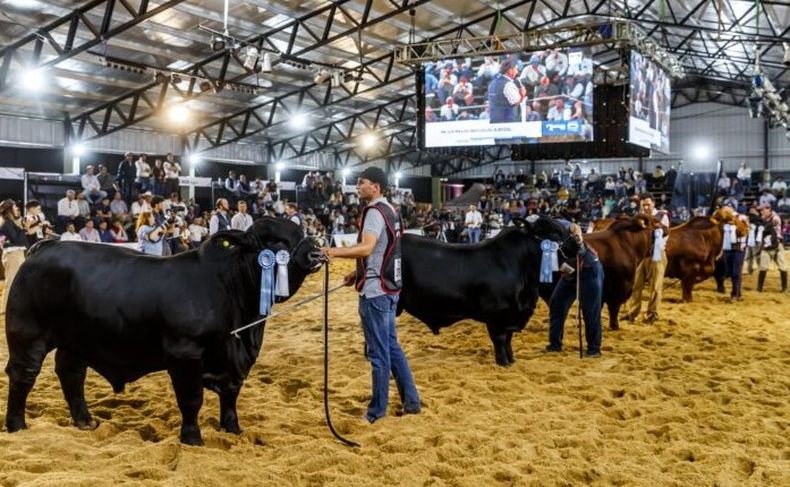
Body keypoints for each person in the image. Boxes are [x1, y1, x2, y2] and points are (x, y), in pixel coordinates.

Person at [321, 166, 420, 424]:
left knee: (378, 354)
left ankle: (376, 413)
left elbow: (367, 248)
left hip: (376, 292)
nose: (358, 186)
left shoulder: (374, 212)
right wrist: (358, 273)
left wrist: (333, 252)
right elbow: (385, 250)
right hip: (389, 287)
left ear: (375, 187)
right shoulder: (390, 210)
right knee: (391, 347)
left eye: (362, 182)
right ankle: (411, 402)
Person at [545, 222, 603, 357]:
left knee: (590, 311)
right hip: (569, 273)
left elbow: (574, 226)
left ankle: (594, 349)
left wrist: (577, 237)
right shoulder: (539, 241)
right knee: (556, 304)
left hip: (588, 269)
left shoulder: (558, 225)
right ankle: (555, 344)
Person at [623, 196, 669, 324]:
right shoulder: (638, 218)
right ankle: (633, 312)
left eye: (648, 204)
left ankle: (652, 314)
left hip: (657, 253)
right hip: (641, 254)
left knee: (656, 286)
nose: (646, 207)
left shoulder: (661, 216)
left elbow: (664, 233)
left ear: (653, 203)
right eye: (643, 205)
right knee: (636, 285)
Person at [0, 199, 32, 314]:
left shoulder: (8, 222)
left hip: (15, 254)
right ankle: (5, 308)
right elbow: (17, 240)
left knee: (16, 281)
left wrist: (23, 228)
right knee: (11, 282)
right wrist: (25, 228)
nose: (17, 208)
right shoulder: (6, 223)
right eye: (14, 206)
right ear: (9, 209)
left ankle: (12, 307)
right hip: (13, 255)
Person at [757, 203, 787, 293]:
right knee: (763, 267)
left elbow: (776, 232)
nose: (761, 212)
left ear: (768, 209)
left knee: (782, 267)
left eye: (763, 210)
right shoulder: (764, 219)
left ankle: (784, 287)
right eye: (761, 210)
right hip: (766, 246)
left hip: (776, 246)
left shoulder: (775, 218)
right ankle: (759, 288)